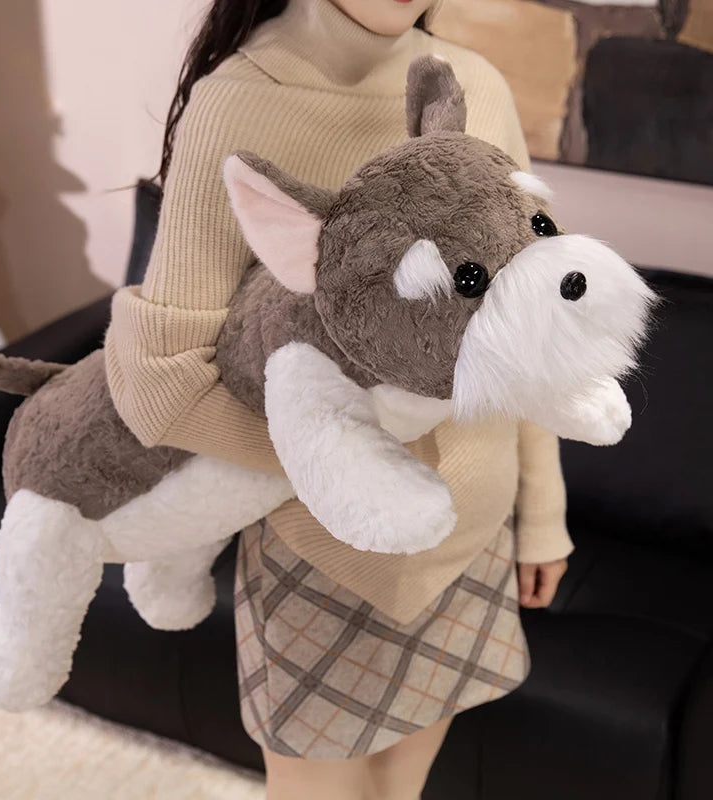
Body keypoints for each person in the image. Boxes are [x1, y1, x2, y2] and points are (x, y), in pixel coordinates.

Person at [104, 1, 573, 797]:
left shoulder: (478, 86)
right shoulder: (239, 97)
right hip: (319, 552)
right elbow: (161, 382)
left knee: (404, 787)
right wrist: (339, 465)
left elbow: (532, 321)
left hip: (469, 533)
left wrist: (545, 516)